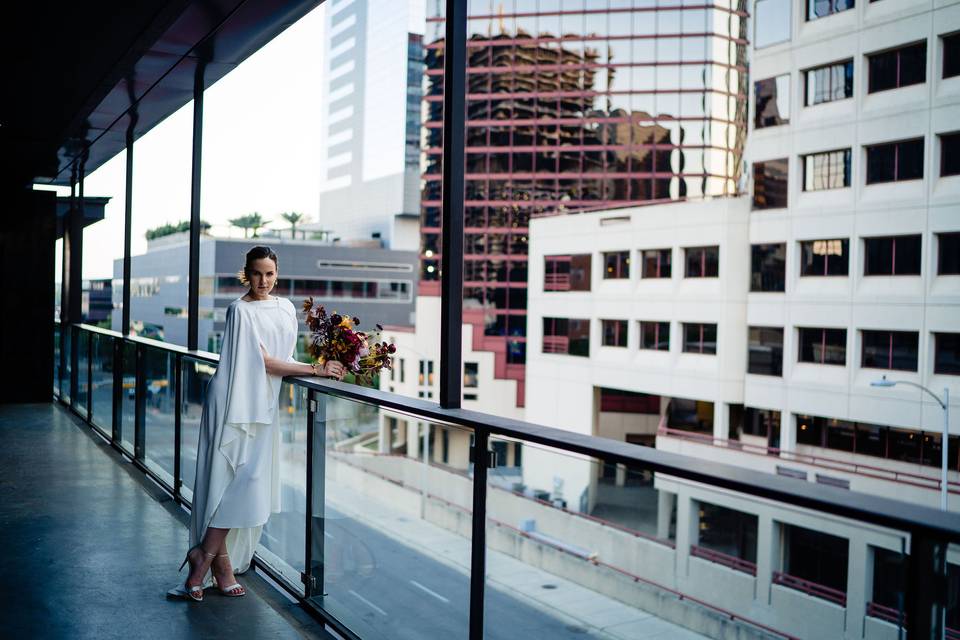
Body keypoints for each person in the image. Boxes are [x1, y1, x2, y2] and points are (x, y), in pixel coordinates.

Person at [167, 246, 345, 601]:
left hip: (263, 403)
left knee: (244, 483)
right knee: (230, 481)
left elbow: (285, 357)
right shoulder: (239, 310)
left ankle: (211, 560)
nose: (262, 281)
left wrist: (325, 364)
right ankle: (210, 561)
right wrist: (316, 369)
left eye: (269, 274)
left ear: (277, 274)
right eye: (256, 273)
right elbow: (264, 362)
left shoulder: (285, 308)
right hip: (234, 400)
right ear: (245, 273)